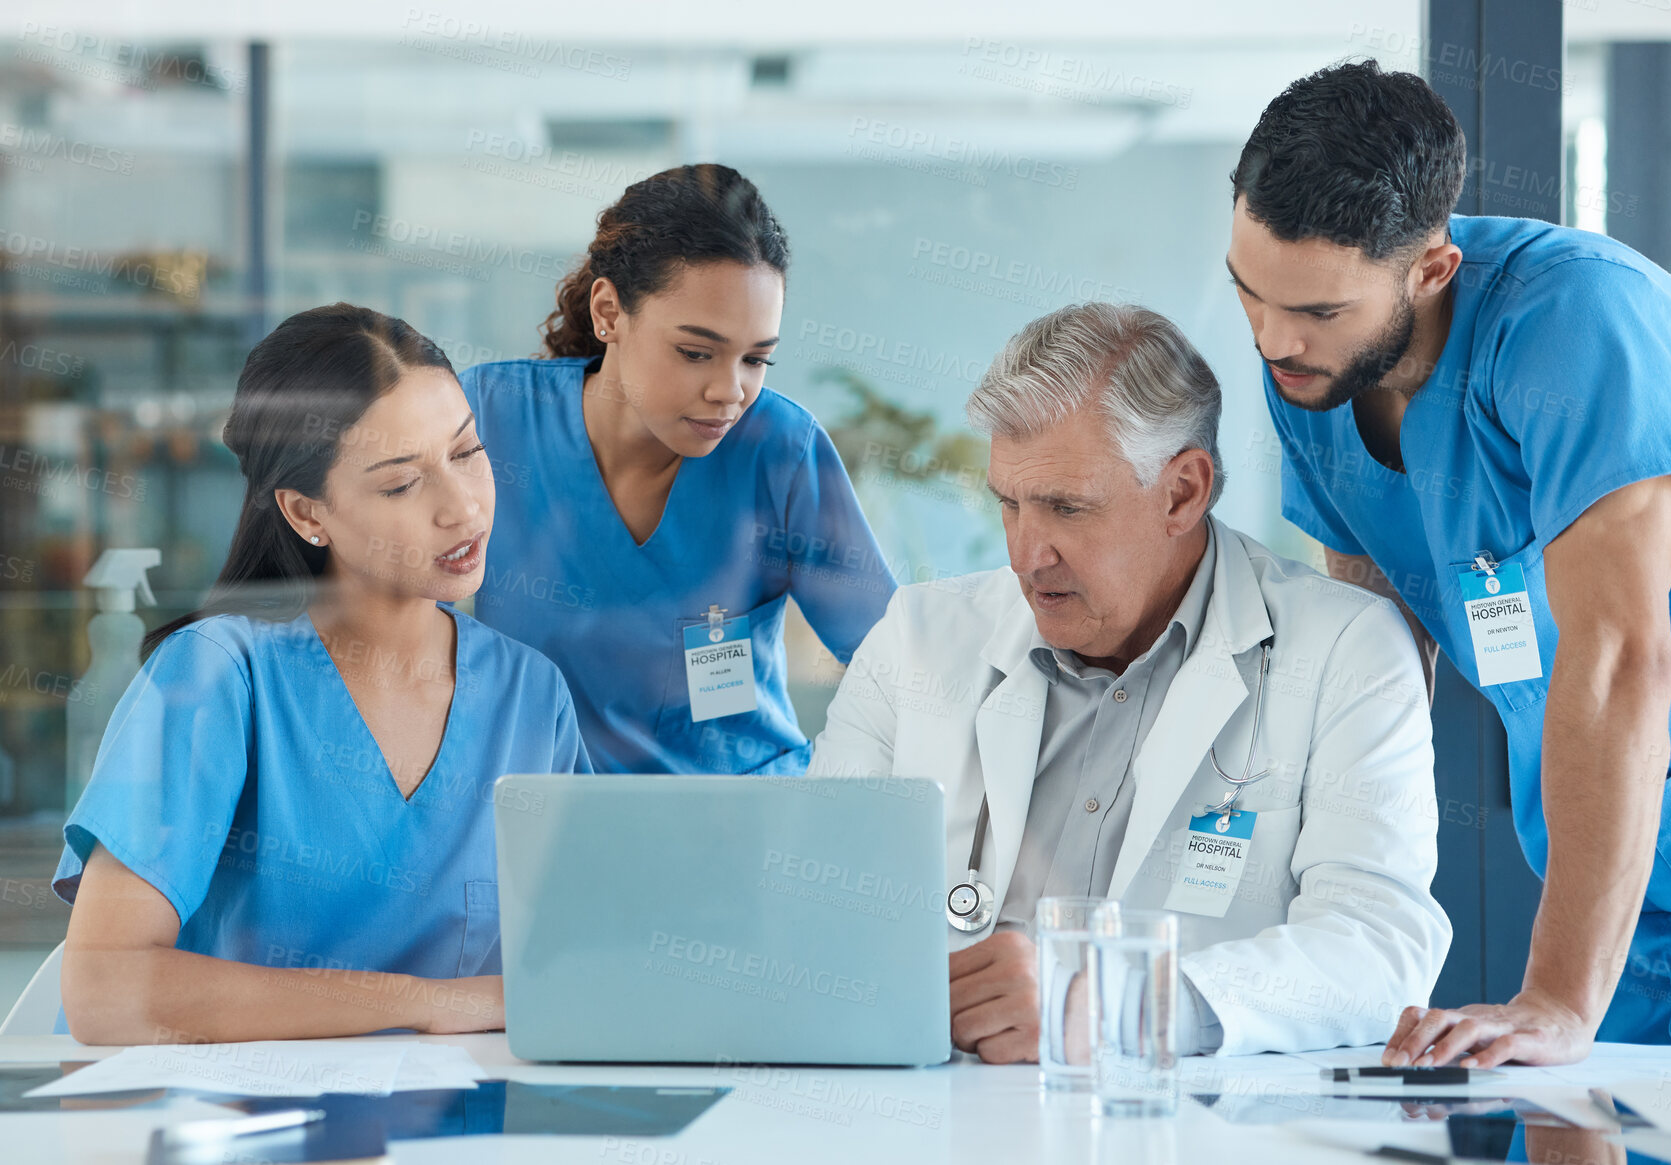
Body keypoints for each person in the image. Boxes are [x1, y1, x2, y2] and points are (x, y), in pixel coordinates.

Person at [1228, 61, 1671, 1063]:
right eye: (1248, 292)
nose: (1273, 339)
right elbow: (1366, 675)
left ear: (1432, 271)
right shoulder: (1310, 375)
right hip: (1624, 896)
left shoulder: (1576, 327)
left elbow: (1623, 659)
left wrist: (1556, 999)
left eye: (1317, 311)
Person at [809, 303, 1451, 1059]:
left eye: (1065, 509)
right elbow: (807, 902)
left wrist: (1112, 1002)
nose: (1025, 555)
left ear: (1181, 491)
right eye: (1007, 504)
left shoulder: (1346, 648)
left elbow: (1378, 948)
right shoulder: (916, 637)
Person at [53, 304, 589, 1044]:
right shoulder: (216, 679)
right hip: (222, 1134)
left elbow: (589, 957)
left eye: (466, 452)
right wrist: (433, 1001)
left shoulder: (529, 695)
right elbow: (104, 991)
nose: (461, 506)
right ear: (309, 512)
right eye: (402, 484)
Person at [463, 164, 896, 775]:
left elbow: (897, 673)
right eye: (696, 353)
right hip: (543, 824)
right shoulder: (489, 421)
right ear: (609, 311)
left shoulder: (780, 451)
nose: (730, 391)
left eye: (755, 359)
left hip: (748, 820)